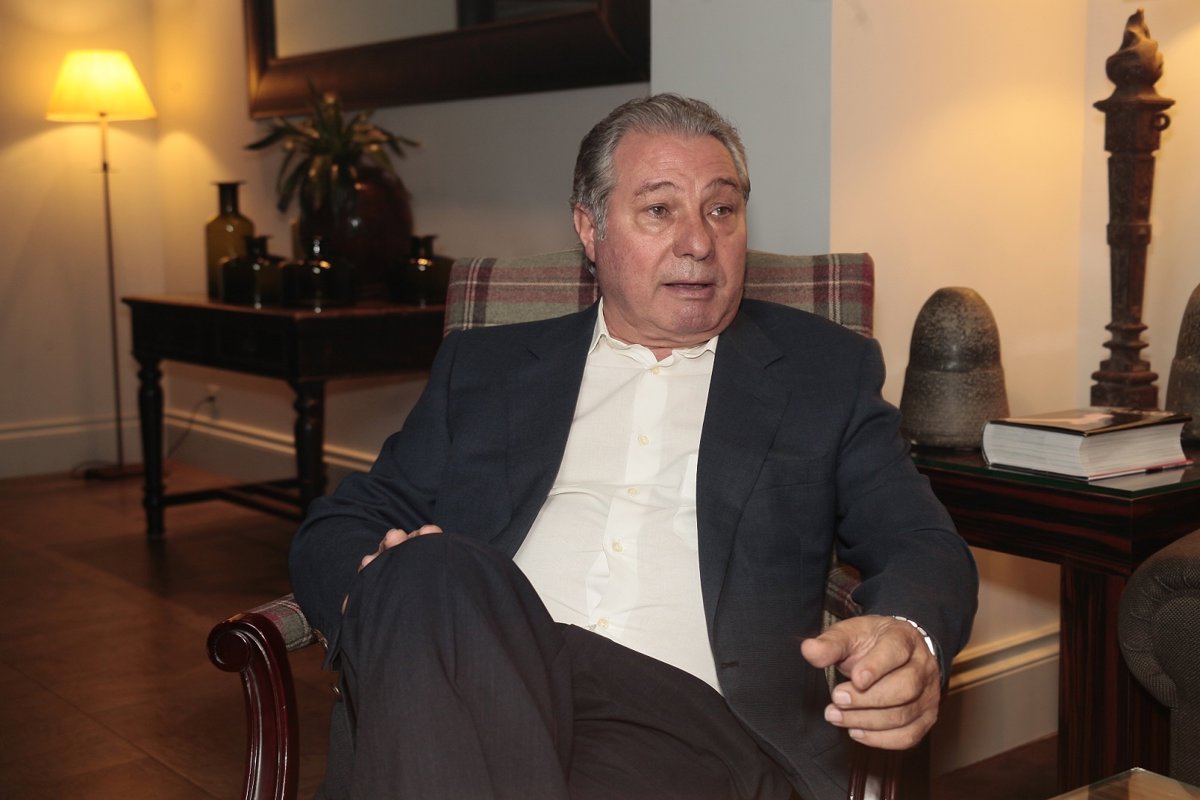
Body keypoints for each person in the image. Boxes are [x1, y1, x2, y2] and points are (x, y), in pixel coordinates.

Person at [290, 93, 978, 800]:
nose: (699, 242)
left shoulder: (820, 371)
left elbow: (919, 538)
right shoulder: (486, 368)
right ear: (589, 228)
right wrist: (377, 592)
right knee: (428, 566)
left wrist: (911, 634)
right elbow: (344, 523)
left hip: (689, 726)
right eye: (659, 210)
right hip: (485, 684)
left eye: (721, 209)